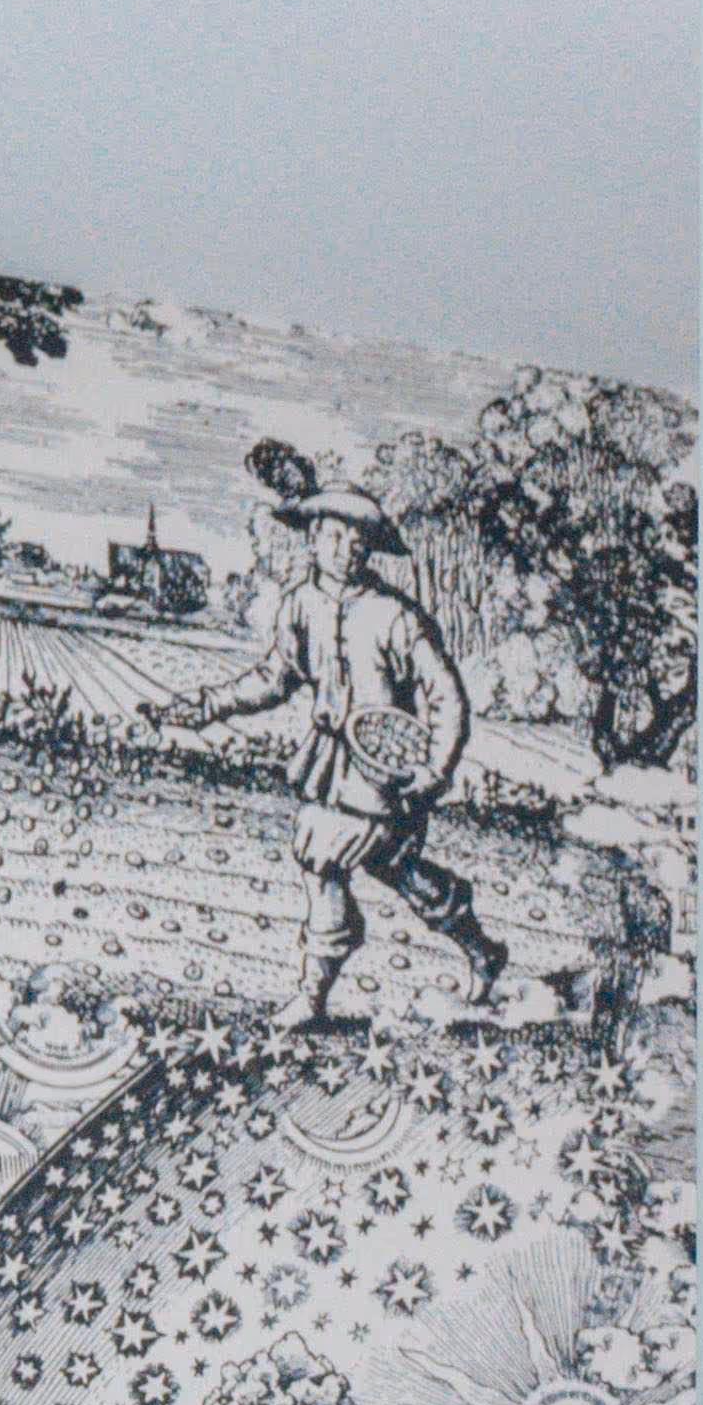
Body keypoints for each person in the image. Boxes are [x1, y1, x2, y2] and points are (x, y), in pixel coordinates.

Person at [149, 435, 509, 1024]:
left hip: (385, 772)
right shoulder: (298, 606)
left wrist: (434, 768)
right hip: (328, 763)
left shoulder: (395, 615)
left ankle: (312, 997)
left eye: (356, 538)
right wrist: (209, 704)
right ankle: (483, 949)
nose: (344, 548)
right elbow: (274, 677)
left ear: (369, 549)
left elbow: (445, 693)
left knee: (323, 861)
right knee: (400, 872)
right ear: (312, 539)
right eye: (332, 534)